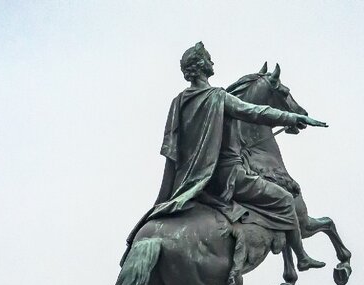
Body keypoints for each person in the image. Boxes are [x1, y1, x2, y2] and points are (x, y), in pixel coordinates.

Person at [129, 42, 329, 272]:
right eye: (209, 59)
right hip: (228, 176)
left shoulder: (179, 102)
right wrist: (293, 118)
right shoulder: (217, 97)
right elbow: (256, 111)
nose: (213, 62)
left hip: (192, 182)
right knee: (284, 199)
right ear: (202, 66)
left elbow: (173, 149)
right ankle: (301, 258)